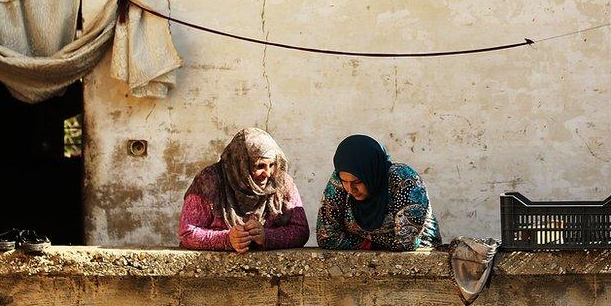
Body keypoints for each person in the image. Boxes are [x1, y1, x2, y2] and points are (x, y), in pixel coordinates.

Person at [179, 128, 309, 251]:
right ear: (240, 165)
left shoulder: (281, 183)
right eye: (260, 166)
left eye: (272, 165)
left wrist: (267, 237)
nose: (268, 173)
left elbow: (300, 231)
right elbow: (187, 233)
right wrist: (227, 239)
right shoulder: (209, 182)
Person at [316, 134, 441, 250]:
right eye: (345, 181)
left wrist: (360, 243)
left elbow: (407, 242)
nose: (350, 189)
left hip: (418, 260)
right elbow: (326, 237)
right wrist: (369, 245)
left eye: (358, 182)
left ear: (372, 172)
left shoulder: (403, 179)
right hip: (365, 259)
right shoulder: (339, 180)